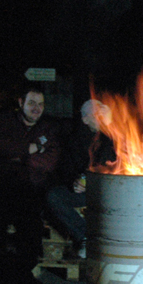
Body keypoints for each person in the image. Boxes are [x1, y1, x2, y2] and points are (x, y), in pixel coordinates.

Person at [0, 84, 62, 270]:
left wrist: (19, 156)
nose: (36, 108)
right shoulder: (3, 122)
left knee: (31, 228)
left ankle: (25, 270)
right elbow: (0, 148)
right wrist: (32, 149)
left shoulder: (48, 128)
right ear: (21, 103)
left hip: (28, 188)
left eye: (41, 104)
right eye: (32, 103)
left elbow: (50, 160)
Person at [45, 99, 116, 259]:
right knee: (54, 196)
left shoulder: (114, 137)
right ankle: (86, 236)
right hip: (86, 193)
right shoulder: (75, 140)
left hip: (108, 191)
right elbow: (66, 168)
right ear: (85, 119)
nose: (101, 116)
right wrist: (74, 182)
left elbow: (117, 167)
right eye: (96, 113)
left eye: (102, 112)